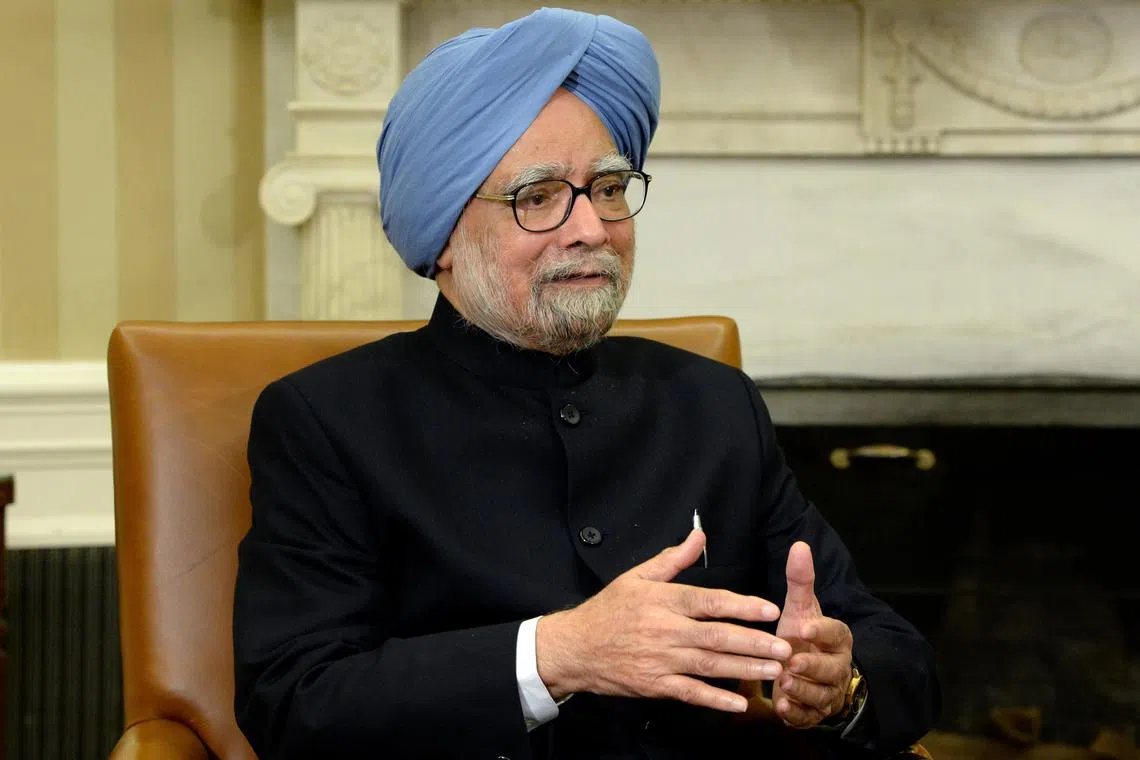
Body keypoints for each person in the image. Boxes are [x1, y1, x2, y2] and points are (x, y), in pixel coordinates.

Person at [232, 8, 939, 760]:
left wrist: (840, 683)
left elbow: (895, 655)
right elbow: (295, 702)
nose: (593, 228)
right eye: (537, 197)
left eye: (607, 188)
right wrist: (559, 653)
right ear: (442, 235)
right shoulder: (328, 420)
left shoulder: (712, 403)